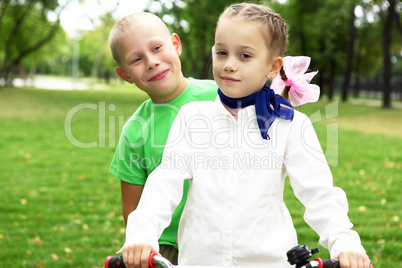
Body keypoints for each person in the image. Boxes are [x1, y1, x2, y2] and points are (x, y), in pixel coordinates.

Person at [119, 3, 371, 268]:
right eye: (221, 52)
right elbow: (163, 183)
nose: (229, 65)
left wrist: (346, 243)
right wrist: (142, 235)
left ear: (273, 67)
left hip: (270, 261)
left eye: (244, 56)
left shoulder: (292, 125)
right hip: (200, 261)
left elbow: (319, 193)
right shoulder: (192, 118)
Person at [108, 12, 217, 264]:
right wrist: (140, 242)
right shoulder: (135, 130)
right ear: (125, 75)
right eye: (136, 59)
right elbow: (133, 210)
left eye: (157, 48)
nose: (151, 62)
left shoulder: (219, 95)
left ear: (176, 45)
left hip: (223, 235)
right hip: (168, 247)